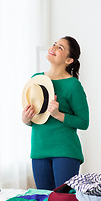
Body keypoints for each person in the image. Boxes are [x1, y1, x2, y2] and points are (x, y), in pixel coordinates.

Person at [22, 36, 89, 190]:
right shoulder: (36, 79)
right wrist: (25, 119)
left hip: (65, 151)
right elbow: (34, 118)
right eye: (54, 45)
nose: (54, 48)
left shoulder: (73, 85)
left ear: (69, 60)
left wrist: (58, 114)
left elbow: (84, 122)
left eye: (60, 48)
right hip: (39, 149)